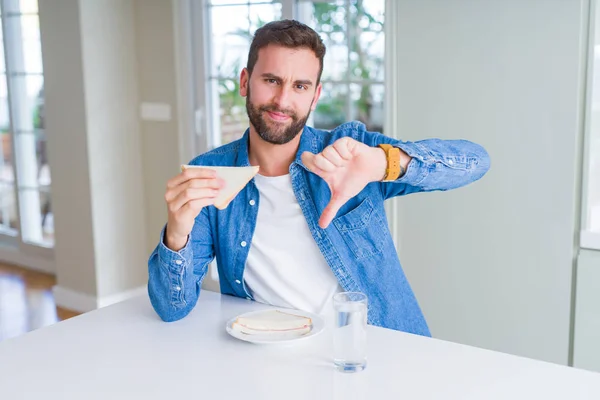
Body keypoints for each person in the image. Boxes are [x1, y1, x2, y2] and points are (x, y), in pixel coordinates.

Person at [147, 19, 490, 336]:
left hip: (374, 349)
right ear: (244, 81)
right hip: (268, 356)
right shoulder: (210, 175)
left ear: (315, 95)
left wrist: (382, 163)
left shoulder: (351, 154)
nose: (283, 100)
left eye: (300, 86)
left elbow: (475, 161)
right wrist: (177, 233)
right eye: (271, 80)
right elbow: (171, 308)